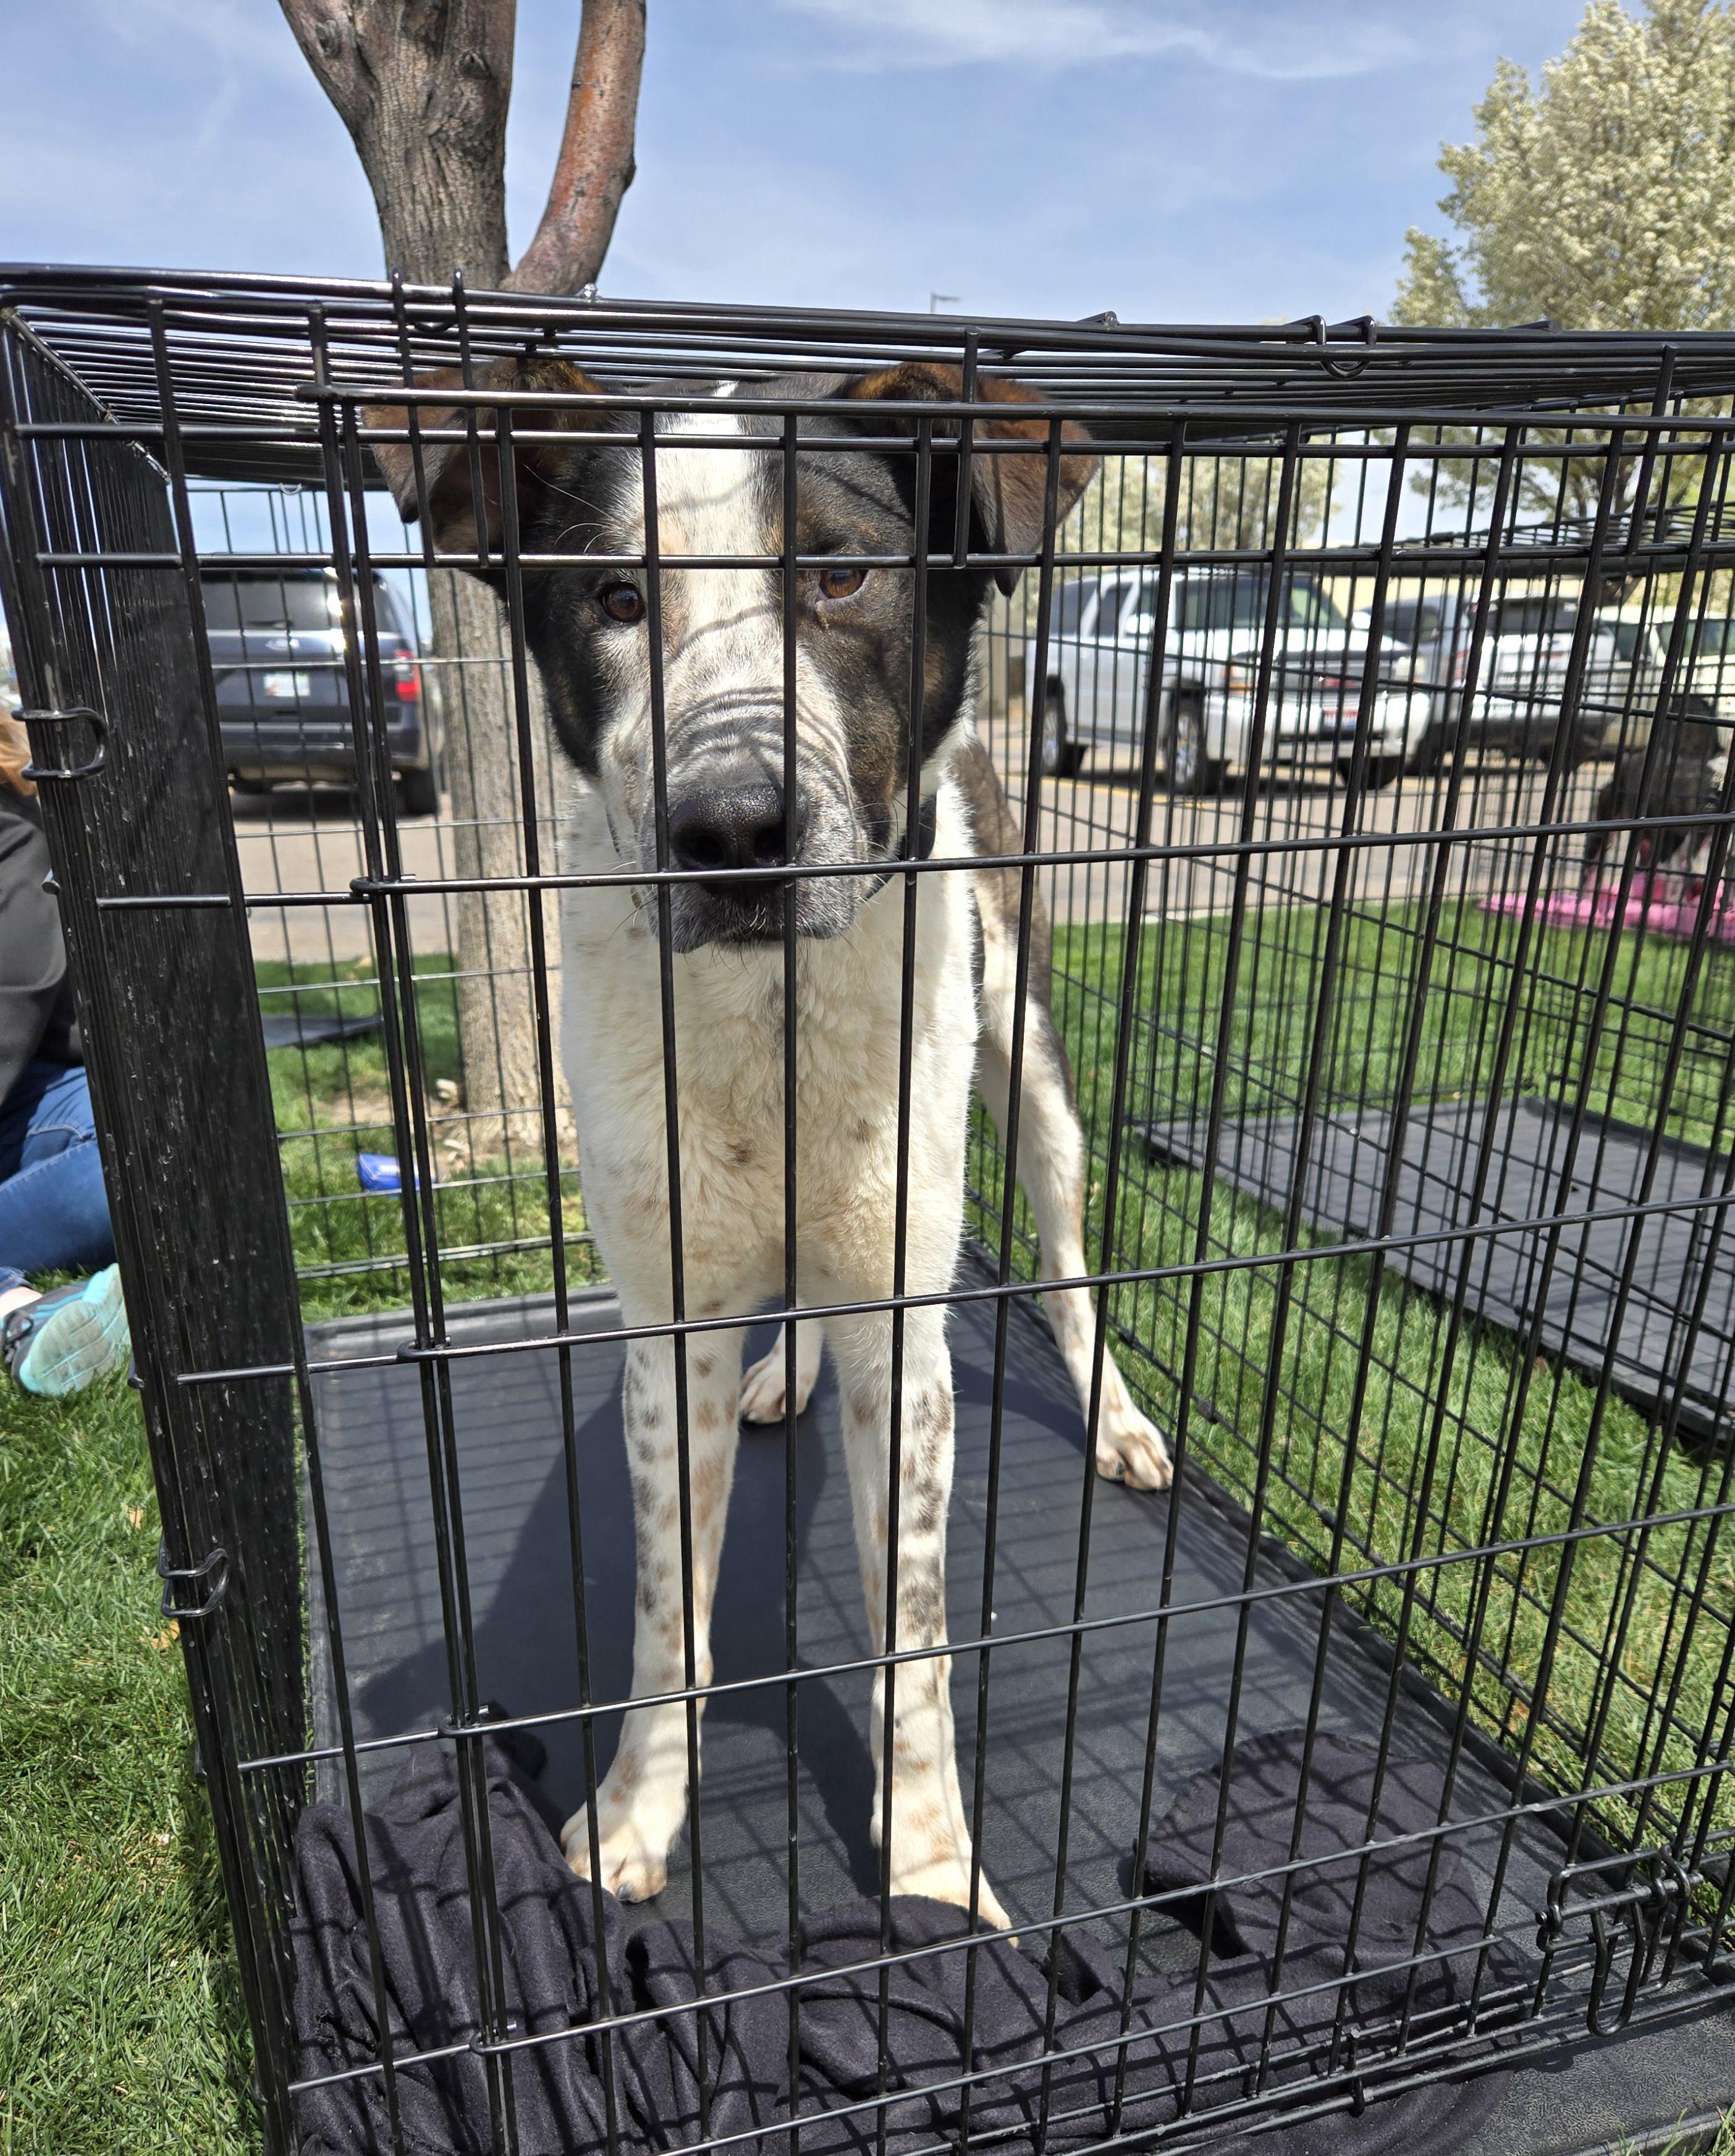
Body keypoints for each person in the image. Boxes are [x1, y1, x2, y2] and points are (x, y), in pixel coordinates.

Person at [0, 712, 130, 1396]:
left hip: (36, 1094)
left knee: (141, 1162)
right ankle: (20, 1313)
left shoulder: (15, 833)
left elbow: (12, 1001)